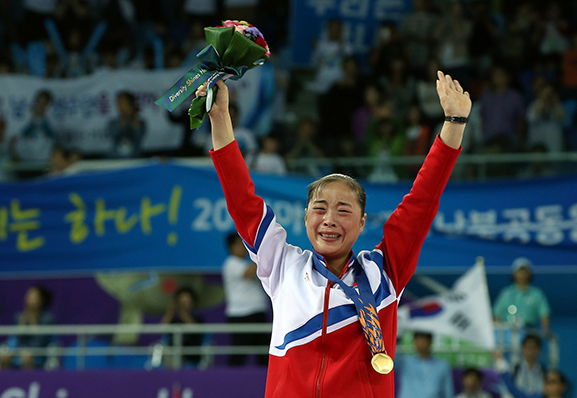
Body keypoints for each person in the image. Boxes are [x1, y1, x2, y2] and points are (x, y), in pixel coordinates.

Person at [197, 67, 470, 396]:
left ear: (362, 223)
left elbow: (421, 202)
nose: (329, 219)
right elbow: (242, 198)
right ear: (305, 217)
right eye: (320, 208)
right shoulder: (283, 266)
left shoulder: (384, 271)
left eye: (343, 210)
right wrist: (220, 117)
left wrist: (454, 124)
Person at [222, 232, 270, 366]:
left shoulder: (245, 263)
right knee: (239, 353)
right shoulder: (231, 263)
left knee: (264, 353)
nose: (244, 247)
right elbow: (247, 273)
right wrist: (261, 254)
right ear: (231, 247)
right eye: (240, 244)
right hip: (241, 314)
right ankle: (231, 383)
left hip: (256, 313)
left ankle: (265, 382)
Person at [0, 285, 55, 369]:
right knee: (4, 357)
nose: (28, 299)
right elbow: (16, 339)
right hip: (20, 350)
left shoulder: (47, 319)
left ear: (41, 300)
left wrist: (33, 322)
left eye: (33, 296)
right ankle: (4, 382)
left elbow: (41, 341)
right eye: (28, 295)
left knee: (26, 357)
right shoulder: (19, 317)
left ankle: (27, 381)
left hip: (38, 352)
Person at [493, 258, 551, 333]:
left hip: (529, 332)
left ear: (529, 274)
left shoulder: (536, 293)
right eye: (519, 272)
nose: (522, 275)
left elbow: (544, 314)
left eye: (525, 272)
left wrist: (545, 331)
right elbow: (497, 314)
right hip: (508, 332)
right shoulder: (506, 293)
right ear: (514, 274)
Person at [397, 331, 454, 398]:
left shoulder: (442, 365)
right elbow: (390, 359)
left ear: (430, 341)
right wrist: (397, 336)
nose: (420, 343)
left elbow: (448, 392)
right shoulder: (405, 362)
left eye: (422, 339)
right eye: (417, 339)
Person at [160, 287, 204, 366]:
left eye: (186, 301)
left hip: (189, 354)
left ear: (192, 302)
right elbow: (162, 329)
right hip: (171, 353)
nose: (183, 303)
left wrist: (183, 312)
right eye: (181, 300)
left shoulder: (198, 319)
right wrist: (170, 311)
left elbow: (194, 329)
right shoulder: (174, 320)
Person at [12, 90, 55, 163]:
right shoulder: (30, 114)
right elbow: (23, 133)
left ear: (48, 103)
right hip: (28, 154)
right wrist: (33, 118)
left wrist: (43, 116)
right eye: (39, 102)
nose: (40, 105)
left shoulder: (52, 115)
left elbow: (51, 134)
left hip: (44, 154)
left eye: (43, 103)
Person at [107, 91, 146, 159]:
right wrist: (125, 118)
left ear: (130, 104)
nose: (120, 106)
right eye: (119, 103)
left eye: (123, 103)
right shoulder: (113, 123)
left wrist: (133, 115)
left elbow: (139, 134)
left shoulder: (140, 122)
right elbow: (113, 134)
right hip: (115, 158)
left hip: (134, 158)